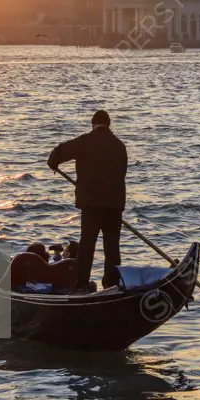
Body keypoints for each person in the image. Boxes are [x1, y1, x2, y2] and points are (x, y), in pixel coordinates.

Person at [47, 110, 128, 291]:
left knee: (87, 244)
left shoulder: (85, 141)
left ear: (93, 124)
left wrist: (53, 162)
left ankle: (81, 283)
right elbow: (122, 173)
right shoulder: (119, 146)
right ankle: (111, 283)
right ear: (109, 124)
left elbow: (60, 151)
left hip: (91, 204)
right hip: (114, 204)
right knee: (112, 246)